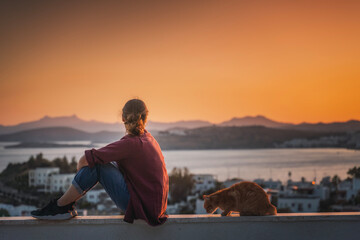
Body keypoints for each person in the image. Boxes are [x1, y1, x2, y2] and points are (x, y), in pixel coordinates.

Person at [31, 99, 169, 226]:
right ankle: (65, 205)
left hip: (141, 207)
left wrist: (82, 175)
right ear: (145, 117)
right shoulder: (149, 139)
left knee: (97, 165)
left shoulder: (131, 143)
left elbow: (85, 160)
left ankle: (60, 206)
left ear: (123, 118)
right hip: (153, 208)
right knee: (105, 163)